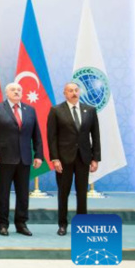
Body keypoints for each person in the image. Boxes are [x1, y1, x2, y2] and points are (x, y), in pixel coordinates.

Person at [0, 82, 43, 237]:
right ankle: (2, 224)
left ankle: (21, 223)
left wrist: (38, 155)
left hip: (24, 159)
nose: (16, 92)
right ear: (6, 93)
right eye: (13, 90)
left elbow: (37, 135)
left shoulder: (30, 110)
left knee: (23, 194)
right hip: (3, 159)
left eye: (19, 90)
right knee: (3, 193)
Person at [47, 82, 101, 236]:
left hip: (84, 158)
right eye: (70, 90)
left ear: (80, 92)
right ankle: (62, 224)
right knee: (63, 193)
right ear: (65, 93)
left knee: (82, 192)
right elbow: (52, 137)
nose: (74, 93)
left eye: (76, 90)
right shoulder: (56, 110)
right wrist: (55, 158)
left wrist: (95, 158)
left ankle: (82, 224)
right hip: (63, 159)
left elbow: (96, 135)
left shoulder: (89, 110)